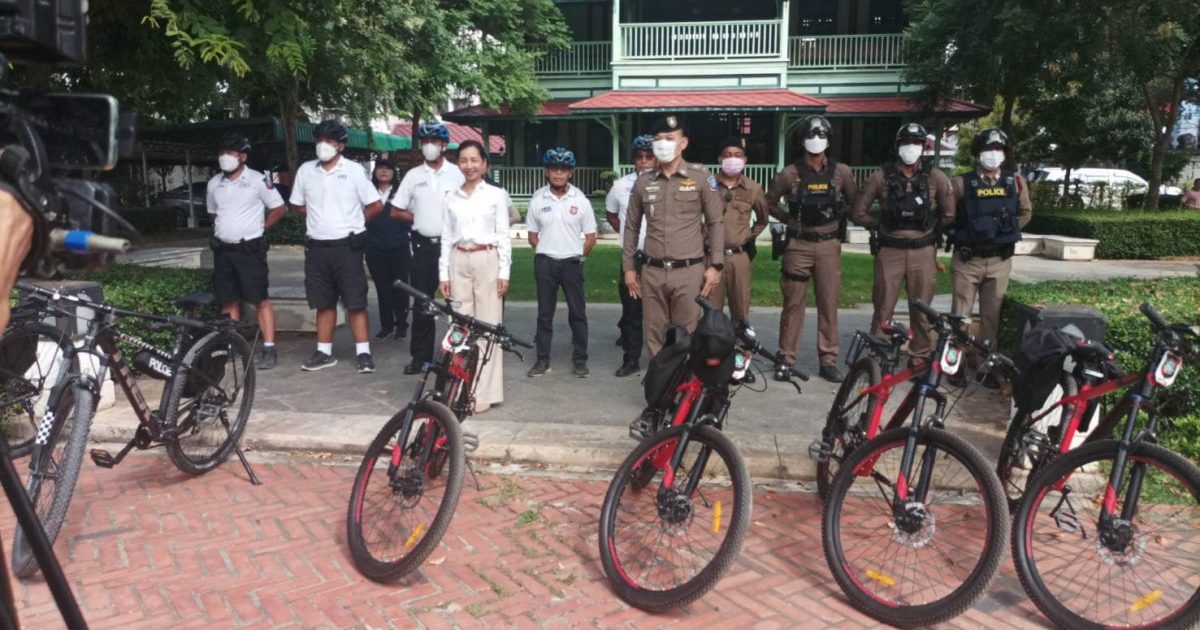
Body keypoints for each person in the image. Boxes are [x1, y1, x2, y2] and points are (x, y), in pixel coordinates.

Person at [849, 123, 955, 366]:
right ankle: (878, 357)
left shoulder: (935, 177)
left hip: (923, 250)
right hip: (890, 250)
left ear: (923, 147)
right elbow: (858, 212)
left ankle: (919, 357)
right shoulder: (881, 176)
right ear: (898, 146)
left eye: (916, 143)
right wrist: (880, 225)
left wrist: (931, 227)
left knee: (922, 309)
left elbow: (949, 213)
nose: (911, 147)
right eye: (907, 142)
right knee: (883, 307)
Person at [623, 115, 725, 357]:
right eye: (658, 139)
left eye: (670, 138)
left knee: (686, 333)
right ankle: (660, 378)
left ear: (683, 143)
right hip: (653, 271)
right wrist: (628, 268)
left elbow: (715, 223)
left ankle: (683, 379)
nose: (663, 144)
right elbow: (631, 227)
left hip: (688, 271)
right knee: (655, 334)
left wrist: (716, 265)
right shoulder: (644, 181)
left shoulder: (701, 177)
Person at [767, 115, 859, 382]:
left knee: (828, 303)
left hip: (828, 244)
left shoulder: (841, 172)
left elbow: (855, 201)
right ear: (802, 140)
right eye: (811, 135)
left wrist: (839, 216)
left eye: (821, 135)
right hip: (798, 244)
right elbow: (768, 202)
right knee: (793, 303)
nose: (816, 140)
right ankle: (786, 358)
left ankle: (828, 359)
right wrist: (788, 219)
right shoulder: (789, 174)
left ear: (829, 140)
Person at [289, 119, 383, 374]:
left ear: (340, 145)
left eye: (329, 141)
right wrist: (318, 217)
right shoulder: (306, 171)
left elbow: (375, 205)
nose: (323, 145)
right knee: (324, 301)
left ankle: (363, 353)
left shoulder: (354, 170)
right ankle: (324, 352)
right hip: (317, 247)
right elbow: (298, 204)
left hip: (347, 246)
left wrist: (354, 223)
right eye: (320, 140)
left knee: (355, 301)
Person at [948, 127, 1033, 386]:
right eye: (988, 149)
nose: (993, 154)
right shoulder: (962, 183)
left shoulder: (1014, 181)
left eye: (998, 149)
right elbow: (948, 215)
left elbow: (1025, 211)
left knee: (991, 317)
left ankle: (987, 366)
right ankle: (954, 364)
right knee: (960, 315)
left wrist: (1004, 232)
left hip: (999, 260)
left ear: (1005, 154)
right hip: (968, 259)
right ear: (978, 153)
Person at [439, 140, 511, 414]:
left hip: (487, 259)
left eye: (474, 160)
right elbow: (446, 236)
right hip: (458, 259)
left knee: (488, 326)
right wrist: (443, 272)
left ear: (484, 164)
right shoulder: (451, 196)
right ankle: (460, 388)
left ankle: (484, 393)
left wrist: (504, 271)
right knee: (459, 326)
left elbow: (503, 235)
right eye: (463, 160)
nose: (469, 166)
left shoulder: (496, 195)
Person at [205, 134, 288, 370]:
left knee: (260, 299)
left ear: (243, 156)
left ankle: (269, 348)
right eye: (222, 153)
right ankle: (231, 346)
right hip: (224, 250)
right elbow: (213, 213)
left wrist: (261, 228)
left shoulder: (258, 180)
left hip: (249, 249)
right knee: (228, 300)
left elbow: (279, 208)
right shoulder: (214, 183)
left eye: (230, 153)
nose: (225, 157)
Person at [392, 120, 465, 375]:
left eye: (434, 141)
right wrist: (419, 218)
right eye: (425, 142)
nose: (429, 146)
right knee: (423, 303)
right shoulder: (413, 176)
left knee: (457, 303)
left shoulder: (457, 173)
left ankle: (457, 356)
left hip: (452, 247)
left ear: (444, 145)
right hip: (423, 247)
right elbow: (396, 210)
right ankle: (420, 357)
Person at [525, 147, 597, 379]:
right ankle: (542, 360)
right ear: (547, 172)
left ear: (570, 173)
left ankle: (580, 360)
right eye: (554, 169)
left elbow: (591, 237)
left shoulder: (580, 200)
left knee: (578, 313)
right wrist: (547, 251)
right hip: (545, 263)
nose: (558, 173)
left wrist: (577, 256)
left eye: (563, 169)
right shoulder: (538, 199)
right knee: (545, 314)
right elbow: (532, 236)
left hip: (571, 264)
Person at [605, 134, 655, 377]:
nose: (644, 162)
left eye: (649, 157)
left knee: (659, 311)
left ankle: (663, 359)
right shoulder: (621, 186)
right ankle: (631, 358)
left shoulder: (665, 183)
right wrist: (627, 238)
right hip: (633, 257)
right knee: (632, 309)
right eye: (639, 157)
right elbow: (612, 214)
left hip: (660, 257)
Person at [711, 135, 769, 330]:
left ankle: (740, 345)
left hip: (739, 256)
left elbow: (763, 219)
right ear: (719, 158)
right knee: (711, 310)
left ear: (744, 160)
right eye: (728, 155)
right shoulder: (708, 185)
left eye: (737, 155)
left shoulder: (753, 188)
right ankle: (713, 346)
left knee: (741, 309)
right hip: (711, 256)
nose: (732, 159)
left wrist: (748, 237)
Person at [365, 159, 409, 340]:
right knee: (382, 287)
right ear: (375, 172)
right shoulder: (368, 191)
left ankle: (401, 324)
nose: (384, 171)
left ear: (393, 172)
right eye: (380, 168)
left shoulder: (401, 192)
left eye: (388, 168)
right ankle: (387, 325)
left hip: (399, 246)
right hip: (374, 246)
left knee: (400, 286)